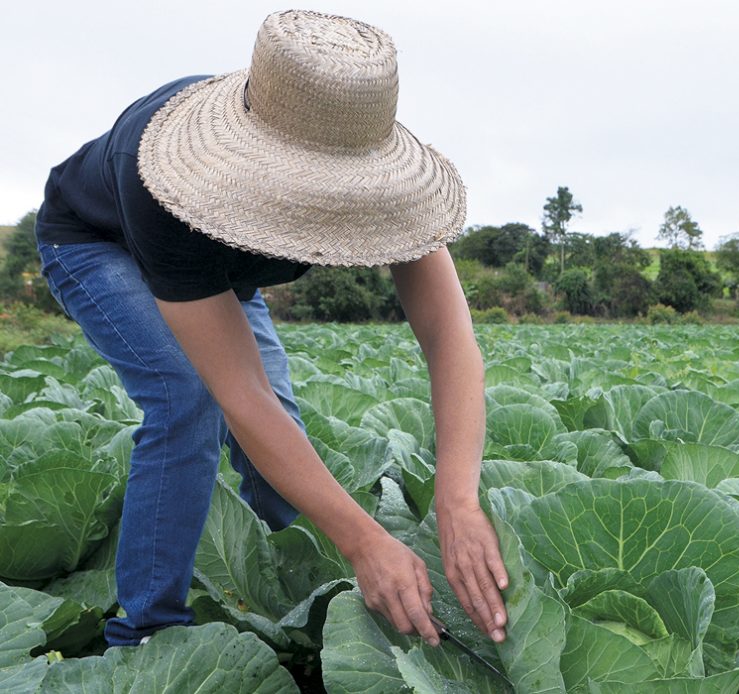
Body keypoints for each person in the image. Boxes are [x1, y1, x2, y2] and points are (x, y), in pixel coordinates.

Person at [34, 9, 508, 649]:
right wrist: (366, 540)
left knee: (282, 412)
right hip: (98, 241)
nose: (326, 199)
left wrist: (457, 502)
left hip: (219, 268)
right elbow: (239, 394)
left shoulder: (372, 161)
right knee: (186, 395)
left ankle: (285, 591)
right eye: (309, 185)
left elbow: (451, 342)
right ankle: (145, 633)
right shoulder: (168, 172)